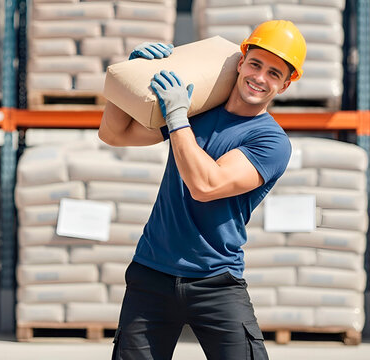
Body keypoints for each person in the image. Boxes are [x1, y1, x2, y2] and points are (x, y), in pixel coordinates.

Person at [99, 20, 307, 360]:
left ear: (285, 84)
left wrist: (178, 116)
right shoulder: (199, 111)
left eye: (274, 73)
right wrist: (131, 78)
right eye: (255, 64)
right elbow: (114, 134)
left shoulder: (270, 141)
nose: (259, 77)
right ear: (241, 63)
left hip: (216, 280)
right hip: (152, 273)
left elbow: (206, 185)